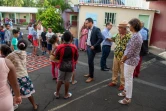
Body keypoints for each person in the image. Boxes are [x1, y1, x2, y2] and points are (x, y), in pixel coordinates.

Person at [7, 39, 38, 110]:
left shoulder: (12, 54)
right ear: (26, 47)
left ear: (17, 45)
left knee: (13, 92)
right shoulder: (24, 53)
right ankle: (34, 105)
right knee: (28, 93)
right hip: (24, 75)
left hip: (15, 77)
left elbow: (6, 60)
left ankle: (13, 105)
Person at [118, 18, 143, 105]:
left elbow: (130, 51)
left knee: (128, 79)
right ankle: (125, 91)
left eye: (130, 25)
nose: (129, 27)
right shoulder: (136, 35)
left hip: (130, 61)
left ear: (134, 26)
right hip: (130, 60)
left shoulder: (136, 36)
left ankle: (128, 98)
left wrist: (122, 59)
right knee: (127, 78)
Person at [54, 31, 78, 99]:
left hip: (62, 65)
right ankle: (66, 94)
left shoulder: (60, 47)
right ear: (71, 39)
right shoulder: (74, 47)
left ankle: (57, 93)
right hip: (70, 66)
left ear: (63, 38)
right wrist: (74, 61)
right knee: (67, 80)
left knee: (59, 79)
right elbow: (76, 57)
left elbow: (56, 56)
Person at [108, 21, 131, 91]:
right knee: (114, 69)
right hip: (116, 55)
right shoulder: (117, 35)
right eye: (118, 27)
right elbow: (113, 39)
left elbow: (130, 48)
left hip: (124, 57)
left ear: (124, 29)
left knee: (123, 71)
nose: (118, 29)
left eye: (120, 28)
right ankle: (114, 81)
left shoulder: (129, 36)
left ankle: (122, 84)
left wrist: (125, 56)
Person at [84, 18, 103, 83]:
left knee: (90, 62)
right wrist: (86, 41)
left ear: (90, 22)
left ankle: (91, 77)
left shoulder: (96, 29)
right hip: (88, 47)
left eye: (86, 23)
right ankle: (90, 73)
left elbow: (101, 38)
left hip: (92, 48)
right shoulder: (88, 29)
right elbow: (89, 37)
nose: (85, 24)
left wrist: (94, 46)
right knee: (89, 62)